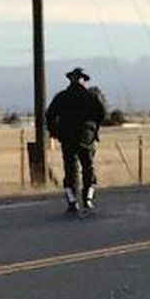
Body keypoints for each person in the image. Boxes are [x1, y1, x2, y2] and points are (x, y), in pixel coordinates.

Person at [46, 67, 107, 213]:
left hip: (67, 137)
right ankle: (88, 198)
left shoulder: (61, 96)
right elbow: (102, 113)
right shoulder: (92, 96)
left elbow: (49, 115)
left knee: (70, 168)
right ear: (84, 80)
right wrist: (93, 129)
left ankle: (72, 200)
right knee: (88, 167)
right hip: (86, 137)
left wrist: (55, 132)